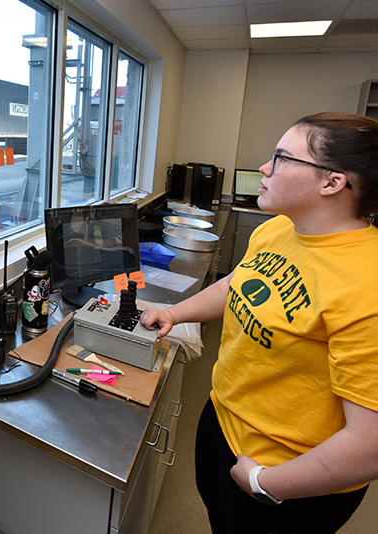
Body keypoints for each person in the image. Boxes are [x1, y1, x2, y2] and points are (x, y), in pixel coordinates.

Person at [140, 111, 378, 534]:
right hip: (224, 422)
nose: (264, 169)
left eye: (282, 158)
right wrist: (175, 313)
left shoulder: (367, 283)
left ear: (332, 182)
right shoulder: (280, 230)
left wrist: (264, 482)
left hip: (288, 474)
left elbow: (370, 446)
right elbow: (239, 284)